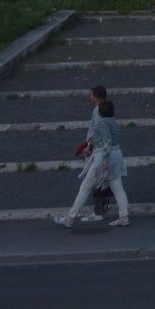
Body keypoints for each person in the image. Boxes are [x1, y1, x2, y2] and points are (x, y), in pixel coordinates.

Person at [54, 85, 130, 228]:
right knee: (117, 187)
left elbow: (105, 142)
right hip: (116, 156)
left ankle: (70, 218)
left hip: (103, 158)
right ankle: (123, 216)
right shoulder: (114, 123)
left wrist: (97, 154)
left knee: (85, 186)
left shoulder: (101, 123)